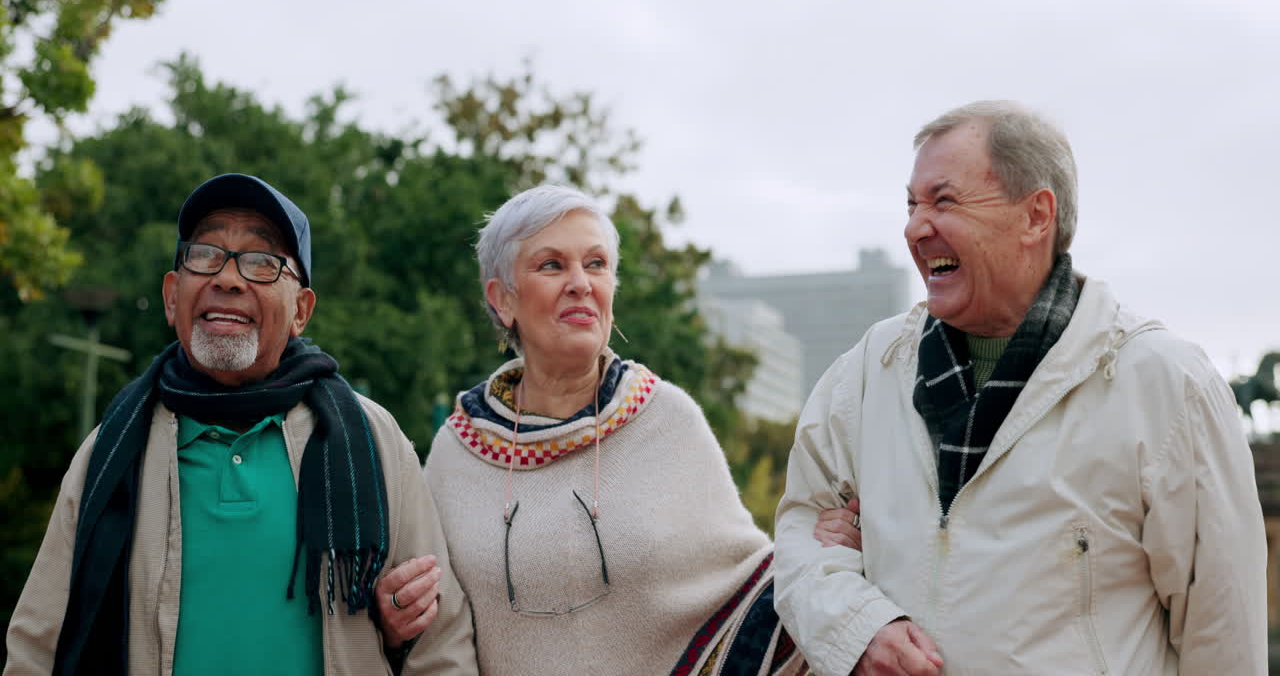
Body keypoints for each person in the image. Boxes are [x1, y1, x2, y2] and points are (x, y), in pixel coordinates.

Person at [773, 101, 1268, 675]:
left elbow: (1223, 633)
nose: (914, 226)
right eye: (911, 204)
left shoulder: (1166, 385)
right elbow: (801, 538)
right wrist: (857, 629)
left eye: (944, 200)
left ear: (1036, 216)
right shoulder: (863, 374)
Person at [4, 174, 478, 675]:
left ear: (301, 310)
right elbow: (38, 648)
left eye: (261, 262)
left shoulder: (373, 440)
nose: (227, 278)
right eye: (205, 254)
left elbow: (439, 646)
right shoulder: (112, 449)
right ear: (171, 297)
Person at [378, 184, 808, 675]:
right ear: (502, 299)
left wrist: (828, 546)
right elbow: (434, 625)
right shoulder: (458, 449)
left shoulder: (666, 419)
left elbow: (749, 592)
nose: (581, 283)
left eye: (596, 264)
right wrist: (395, 621)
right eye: (552, 265)